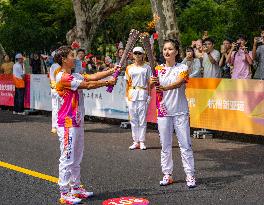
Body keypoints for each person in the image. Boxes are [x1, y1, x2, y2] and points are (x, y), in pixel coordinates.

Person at [54, 46, 117, 204]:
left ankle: (75, 187)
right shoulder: (63, 77)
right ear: (63, 59)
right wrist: (108, 82)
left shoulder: (74, 74)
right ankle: (64, 192)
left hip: (77, 121)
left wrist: (112, 70)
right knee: (67, 157)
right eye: (71, 55)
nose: (74, 58)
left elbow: (92, 77)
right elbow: (87, 85)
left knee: (77, 156)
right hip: (67, 123)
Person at [150, 39, 196, 188]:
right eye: (164, 49)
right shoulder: (157, 69)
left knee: (185, 145)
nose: (167, 52)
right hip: (163, 112)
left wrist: (164, 87)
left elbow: (180, 82)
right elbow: (147, 87)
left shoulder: (183, 67)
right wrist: (151, 82)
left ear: (176, 52)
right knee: (165, 145)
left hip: (180, 111)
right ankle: (167, 174)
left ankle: (190, 175)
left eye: (170, 49)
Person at [125, 47, 152, 150]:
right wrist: (126, 96)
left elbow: (149, 83)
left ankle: (141, 141)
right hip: (132, 93)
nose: (137, 55)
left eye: (139, 53)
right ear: (133, 55)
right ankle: (135, 141)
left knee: (142, 120)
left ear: (143, 55)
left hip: (143, 93)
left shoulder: (147, 67)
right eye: (135, 53)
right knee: (133, 119)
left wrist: (149, 95)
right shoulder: (129, 68)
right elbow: (127, 84)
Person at [49, 52, 60, 134]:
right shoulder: (55, 66)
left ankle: (56, 126)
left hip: (57, 89)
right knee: (56, 107)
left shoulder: (54, 66)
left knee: (57, 107)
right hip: (57, 89)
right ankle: (55, 126)